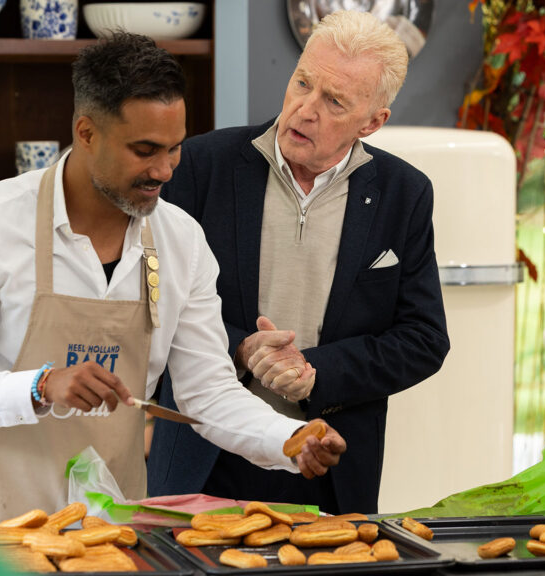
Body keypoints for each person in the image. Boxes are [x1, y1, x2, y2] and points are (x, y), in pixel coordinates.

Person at [0, 32, 348, 529]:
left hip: (111, 533)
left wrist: (289, 439)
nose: (163, 170)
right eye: (144, 150)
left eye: (175, 149)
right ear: (86, 132)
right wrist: (40, 386)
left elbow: (207, 392)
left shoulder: (182, 242)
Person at [147, 11, 450, 514]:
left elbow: (423, 339)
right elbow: (152, 303)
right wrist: (240, 348)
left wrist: (317, 372)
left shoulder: (405, 193)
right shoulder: (200, 166)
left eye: (334, 101)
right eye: (303, 83)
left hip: (328, 465)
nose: (304, 110)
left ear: (373, 122)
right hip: (204, 460)